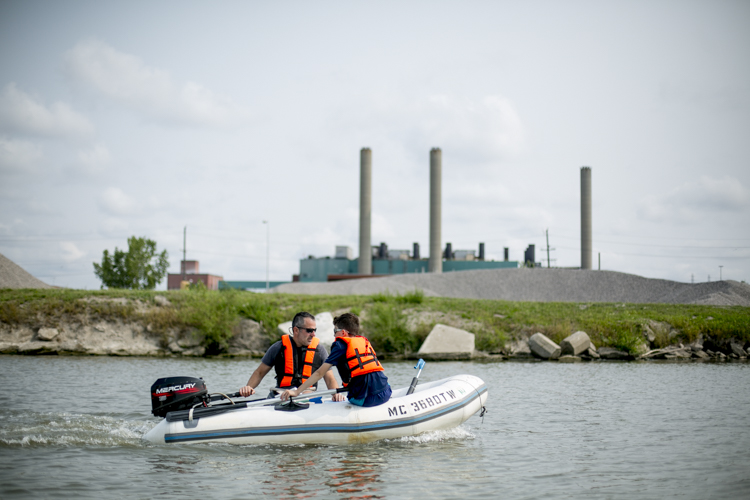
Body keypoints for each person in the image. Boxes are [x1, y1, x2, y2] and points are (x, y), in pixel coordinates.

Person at [280, 313, 391, 407]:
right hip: (386, 391)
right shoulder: (364, 342)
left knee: (351, 397)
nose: (334, 335)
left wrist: (296, 392)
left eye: (335, 331)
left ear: (343, 333)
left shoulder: (340, 345)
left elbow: (319, 373)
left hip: (366, 399)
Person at [239, 311, 346, 401]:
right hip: (281, 396)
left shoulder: (320, 350)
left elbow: (330, 379)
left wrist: (335, 394)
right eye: (309, 330)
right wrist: (249, 387)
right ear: (296, 330)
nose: (313, 334)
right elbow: (259, 372)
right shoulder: (278, 348)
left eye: (314, 330)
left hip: (308, 396)